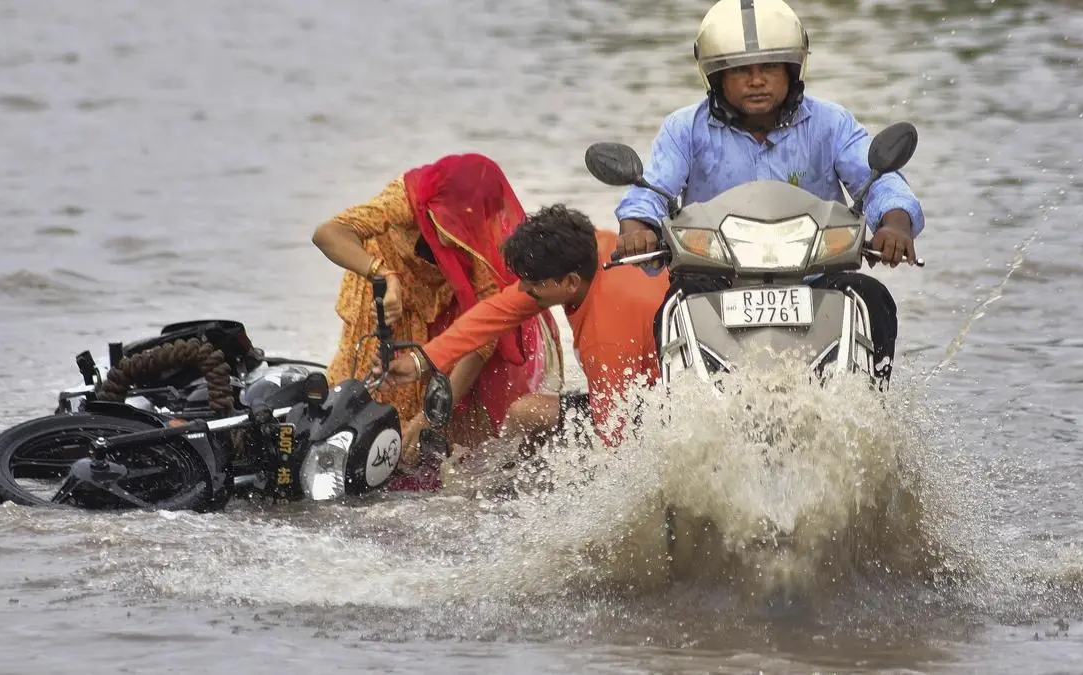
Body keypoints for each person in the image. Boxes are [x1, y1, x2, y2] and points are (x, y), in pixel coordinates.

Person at [613, 0, 926, 381]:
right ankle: (682, 404)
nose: (756, 80)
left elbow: (878, 180)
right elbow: (651, 190)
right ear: (716, 76)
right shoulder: (684, 129)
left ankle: (871, 408)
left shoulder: (831, 123)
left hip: (814, 276)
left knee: (872, 297)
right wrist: (637, 229)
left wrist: (895, 225)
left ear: (793, 70)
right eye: (740, 70)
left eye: (770, 68)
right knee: (674, 305)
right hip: (715, 278)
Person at [312, 153, 564, 478]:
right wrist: (383, 275)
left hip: (449, 305)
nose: (454, 232)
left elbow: (484, 336)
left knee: (447, 432)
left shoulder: (482, 235)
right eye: (448, 220)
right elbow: (328, 234)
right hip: (387, 297)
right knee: (362, 392)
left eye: (463, 224)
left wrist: (430, 417)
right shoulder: (405, 199)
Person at [378, 204, 670, 447]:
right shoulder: (598, 248)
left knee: (526, 414)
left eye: (532, 284)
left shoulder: (604, 339)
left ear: (570, 282)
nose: (524, 291)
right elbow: (493, 314)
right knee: (526, 413)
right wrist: (421, 360)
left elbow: (615, 440)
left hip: (654, 410)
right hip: (647, 378)